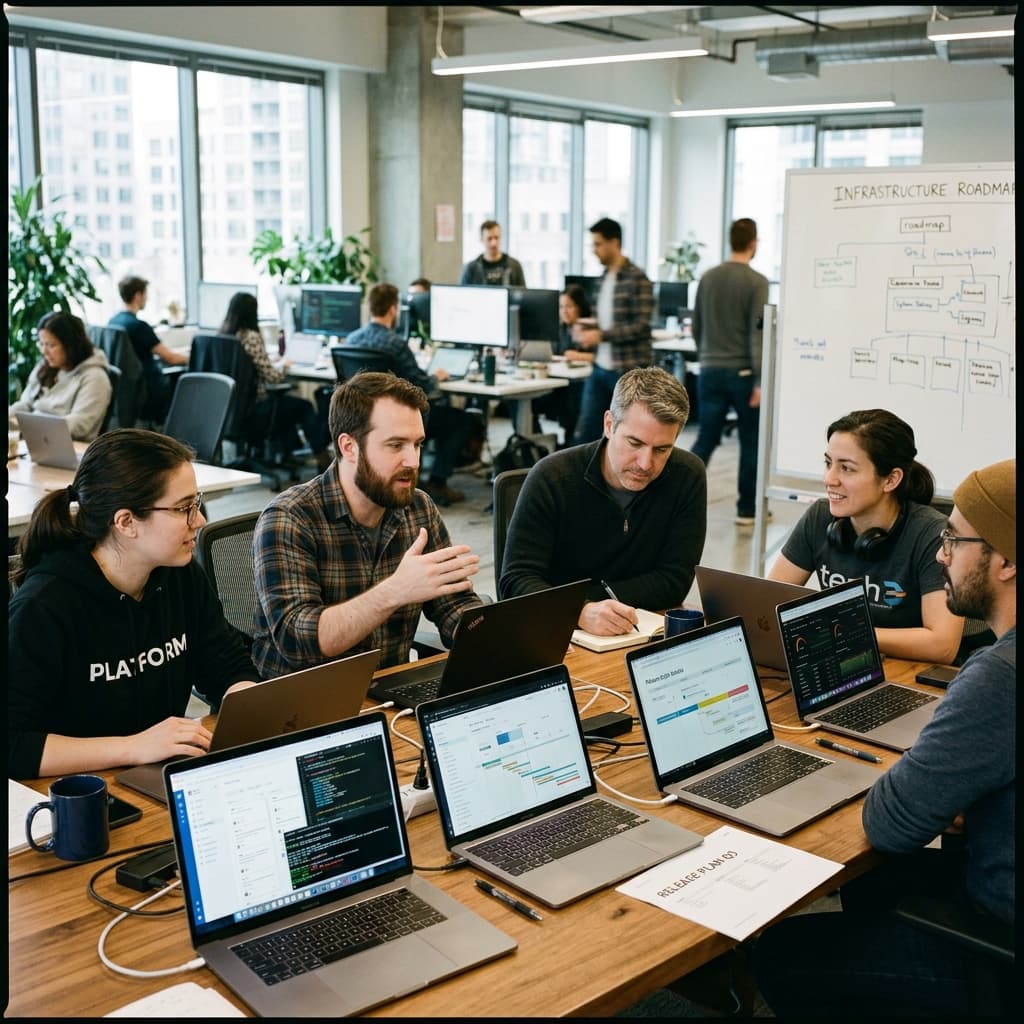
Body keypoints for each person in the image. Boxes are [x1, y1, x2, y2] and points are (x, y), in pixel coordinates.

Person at [752, 457, 1015, 1018]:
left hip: (1001, 942)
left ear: (1006, 562)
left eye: (956, 539)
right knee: (879, 884)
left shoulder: (1000, 677)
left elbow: (890, 823)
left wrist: (930, 786)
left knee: (778, 952)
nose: (942, 554)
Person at [8, 429, 258, 780]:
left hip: (158, 774)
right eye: (184, 508)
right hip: (74, 794)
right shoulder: (45, 606)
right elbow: (13, 745)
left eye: (196, 504)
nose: (199, 521)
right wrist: (134, 746)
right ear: (126, 522)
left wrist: (253, 708)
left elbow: (227, 665)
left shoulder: (179, 575)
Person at [251, 371, 482, 678]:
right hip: (300, 707)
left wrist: (498, 638)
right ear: (349, 447)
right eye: (395, 445)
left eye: (417, 444)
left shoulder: (418, 507)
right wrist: (395, 591)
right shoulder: (289, 518)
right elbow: (298, 643)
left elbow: (453, 606)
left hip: (385, 693)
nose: (413, 461)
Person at [500, 366, 706, 636]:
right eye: (634, 443)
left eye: (661, 449)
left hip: (637, 628)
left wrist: (588, 600)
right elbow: (516, 582)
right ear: (609, 424)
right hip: (557, 632)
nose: (645, 464)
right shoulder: (552, 478)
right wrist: (579, 611)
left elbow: (674, 581)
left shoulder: (687, 475)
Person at [769, 408, 964, 664]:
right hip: (850, 664)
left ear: (891, 480)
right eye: (828, 463)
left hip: (911, 676)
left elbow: (942, 646)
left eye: (847, 469)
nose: (829, 479)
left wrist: (846, 635)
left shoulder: (931, 535)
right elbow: (769, 606)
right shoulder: (820, 518)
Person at [341, 282, 471, 506]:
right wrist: (436, 377)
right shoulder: (395, 344)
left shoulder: (352, 339)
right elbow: (421, 386)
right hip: (397, 420)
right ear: (393, 309)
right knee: (461, 420)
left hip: (362, 417)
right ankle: (438, 480)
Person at [689, 217, 770, 525]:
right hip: (743, 374)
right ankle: (747, 509)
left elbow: (696, 325)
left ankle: (677, 498)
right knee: (750, 441)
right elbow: (757, 334)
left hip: (709, 370)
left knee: (705, 437)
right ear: (753, 243)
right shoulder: (757, 281)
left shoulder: (708, 277)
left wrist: (707, 355)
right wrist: (760, 380)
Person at [220, 291, 331, 472]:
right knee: (303, 406)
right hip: (254, 411)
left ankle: (289, 453)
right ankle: (322, 459)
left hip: (230, 412)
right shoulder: (251, 336)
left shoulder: (224, 335)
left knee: (288, 403)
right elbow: (273, 377)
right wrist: (285, 365)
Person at [571, 217, 654, 445]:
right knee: (586, 433)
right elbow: (605, 321)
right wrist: (587, 327)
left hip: (627, 370)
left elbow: (641, 326)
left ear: (614, 243)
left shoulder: (638, 279)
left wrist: (601, 335)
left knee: (626, 435)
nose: (594, 250)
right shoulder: (602, 279)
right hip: (600, 368)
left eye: (598, 244)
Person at [8, 311, 112, 441]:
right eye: (41, 344)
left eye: (51, 345)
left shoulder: (95, 377)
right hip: (35, 439)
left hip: (67, 445)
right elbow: (26, 403)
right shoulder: (47, 366)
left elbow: (80, 424)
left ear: (71, 345)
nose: (44, 351)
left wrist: (32, 427)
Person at [108, 274, 188, 422]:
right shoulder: (139, 326)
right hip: (148, 388)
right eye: (146, 294)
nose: (147, 298)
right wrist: (192, 356)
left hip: (126, 388)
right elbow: (171, 358)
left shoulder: (114, 321)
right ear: (138, 295)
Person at [532, 283, 593, 446]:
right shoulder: (559, 329)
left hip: (577, 385)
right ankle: (536, 446)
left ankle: (570, 444)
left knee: (571, 401)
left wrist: (578, 356)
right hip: (556, 382)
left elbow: (600, 356)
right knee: (528, 403)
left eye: (569, 306)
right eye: (561, 306)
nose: (564, 311)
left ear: (579, 307)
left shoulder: (590, 328)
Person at [459, 219, 525, 286]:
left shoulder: (514, 266)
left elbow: (523, 294)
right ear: (482, 239)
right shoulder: (471, 269)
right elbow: (464, 294)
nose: (493, 243)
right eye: (489, 239)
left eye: (496, 238)